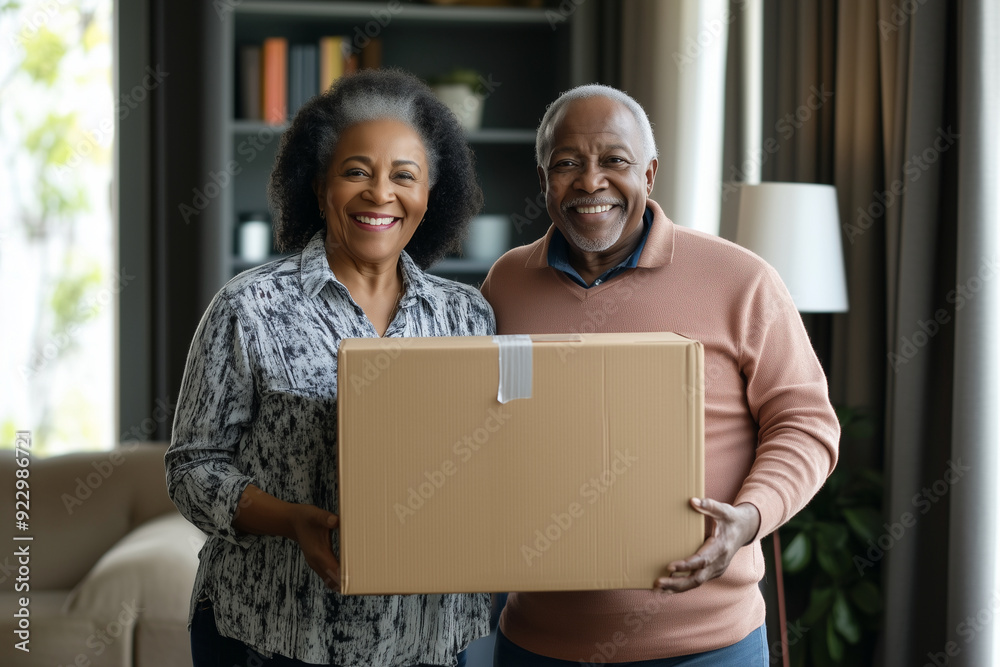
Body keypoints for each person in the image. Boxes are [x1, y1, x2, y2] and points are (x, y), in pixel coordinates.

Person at [480, 85, 841, 666]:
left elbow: (806, 425)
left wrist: (749, 518)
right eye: (567, 163)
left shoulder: (740, 280)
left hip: (706, 645)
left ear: (649, 172)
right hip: (537, 642)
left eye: (613, 161)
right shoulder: (507, 282)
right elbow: (488, 423)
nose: (590, 181)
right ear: (544, 176)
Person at [165, 68, 495, 667]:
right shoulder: (249, 306)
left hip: (428, 640)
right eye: (356, 172)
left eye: (404, 176)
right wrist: (291, 521)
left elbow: (492, 460)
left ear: (430, 195)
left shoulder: (467, 316)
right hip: (274, 633)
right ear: (320, 188)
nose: (380, 193)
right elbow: (191, 469)